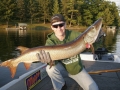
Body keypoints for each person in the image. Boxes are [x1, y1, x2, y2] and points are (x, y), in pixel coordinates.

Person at [37, 14, 99, 90]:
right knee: (50, 69)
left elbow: (92, 44)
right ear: (52, 28)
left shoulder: (75, 35)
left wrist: (98, 40)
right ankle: (61, 86)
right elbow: (52, 64)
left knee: (94, 89)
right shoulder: (50, 42)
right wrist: (49, 61)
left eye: (61, 25)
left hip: (77, 70)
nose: (59, 28)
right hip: (62, 70)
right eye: (55, 26)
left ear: (65, 24)